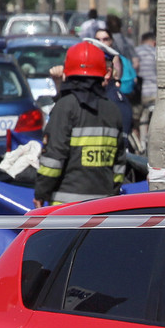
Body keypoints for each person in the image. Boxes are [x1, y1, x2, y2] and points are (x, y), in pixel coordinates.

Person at [33, 41, 126, 207]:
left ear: (69, 73)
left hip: (66, 211)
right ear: (101, 73)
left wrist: (41, 193)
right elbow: (119, 166)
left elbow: (53, 159)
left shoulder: (65, 106)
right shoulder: (112, 110)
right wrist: (112, 195)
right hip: (104, 208)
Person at [134, 32, 157, 130]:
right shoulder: (156, 52)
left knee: (137, 118)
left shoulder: (136, 51)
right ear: (154, 42)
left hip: (141, 93)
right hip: (155, 93)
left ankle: (140, 139)